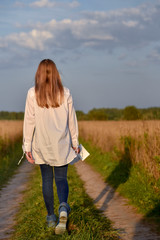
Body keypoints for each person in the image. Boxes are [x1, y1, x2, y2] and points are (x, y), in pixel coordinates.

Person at [23, 59, 80, 235]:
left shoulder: (33, 93)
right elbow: (72, 120)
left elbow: (29, 121)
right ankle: (63, 207)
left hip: (42, 145)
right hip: (61, 144)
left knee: (47, 180)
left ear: (38, 74)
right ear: (56, 73)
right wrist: (75, 142)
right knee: (61, 179)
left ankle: (50, 218)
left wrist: (27, 146)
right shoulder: (66, 93)